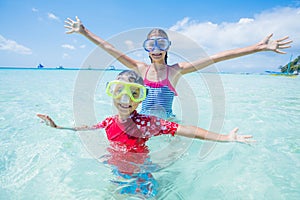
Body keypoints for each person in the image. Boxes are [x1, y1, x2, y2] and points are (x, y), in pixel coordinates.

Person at [37, 70, 254, 197]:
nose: (125, 99)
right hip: (116, 172)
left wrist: (226, 137)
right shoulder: (108, 121)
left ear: (141, 98)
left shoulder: (147, 123)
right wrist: (57, 127)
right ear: (111, 93)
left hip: (142, 175)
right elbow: (84, 128)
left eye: (134, 93)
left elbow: (187, 130)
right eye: (119, 91)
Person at [64, 16, 292, 120]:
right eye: (151, 44)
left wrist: (258, 47)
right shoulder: (139, 67)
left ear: (167, 47)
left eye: (161, 44)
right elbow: (110, 49)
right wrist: (85, 32)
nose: (156, 49)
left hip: (169, 125)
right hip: (142, 123)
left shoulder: (176, 70)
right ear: (146, 48)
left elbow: (218, 56)